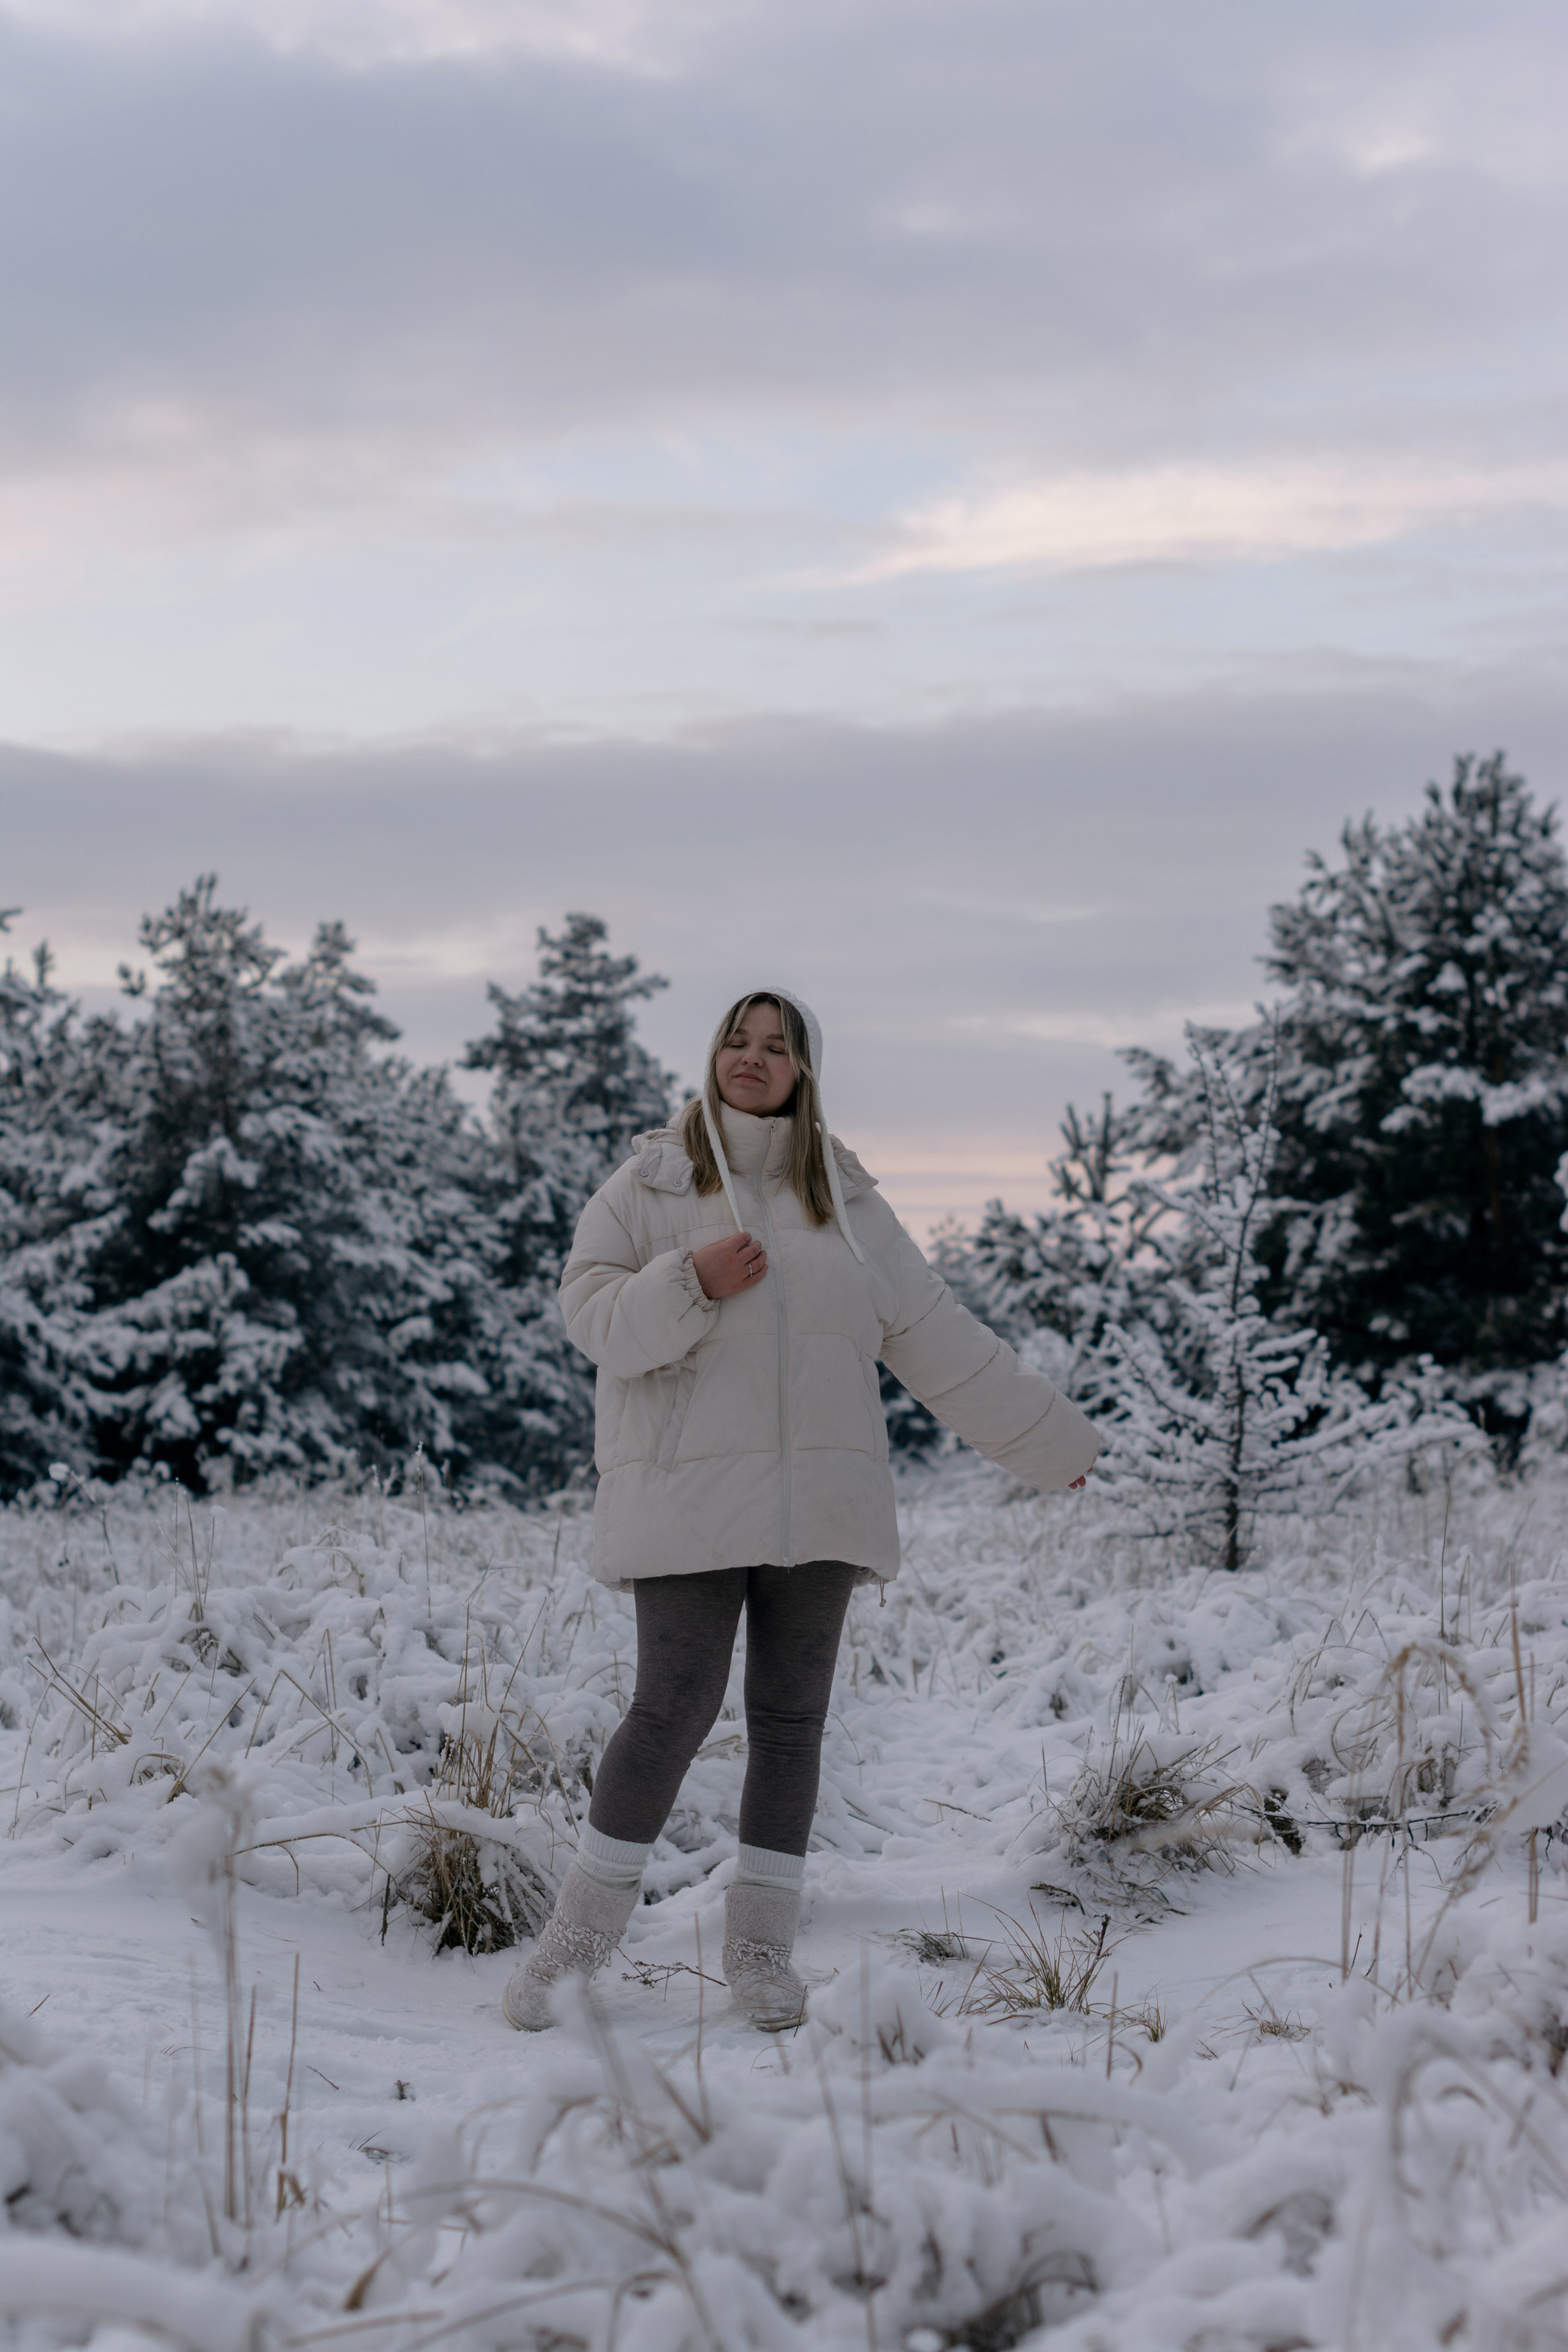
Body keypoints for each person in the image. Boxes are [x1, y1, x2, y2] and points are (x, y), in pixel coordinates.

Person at [503, 988, 1099, 2033]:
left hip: (820, 1506)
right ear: (713, 1053)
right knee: (667, 1715)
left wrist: (1047, 1443)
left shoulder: (848, 1203)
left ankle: (762, 1958)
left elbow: (936, 1336)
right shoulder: (651, 1182)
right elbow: (593, 1317)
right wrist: (689, 1277)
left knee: (790, 1728)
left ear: (804, 1070)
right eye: (738, 1038)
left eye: (776, 1046)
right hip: (688, 1497)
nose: (752, 1057)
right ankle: (573, 1948)